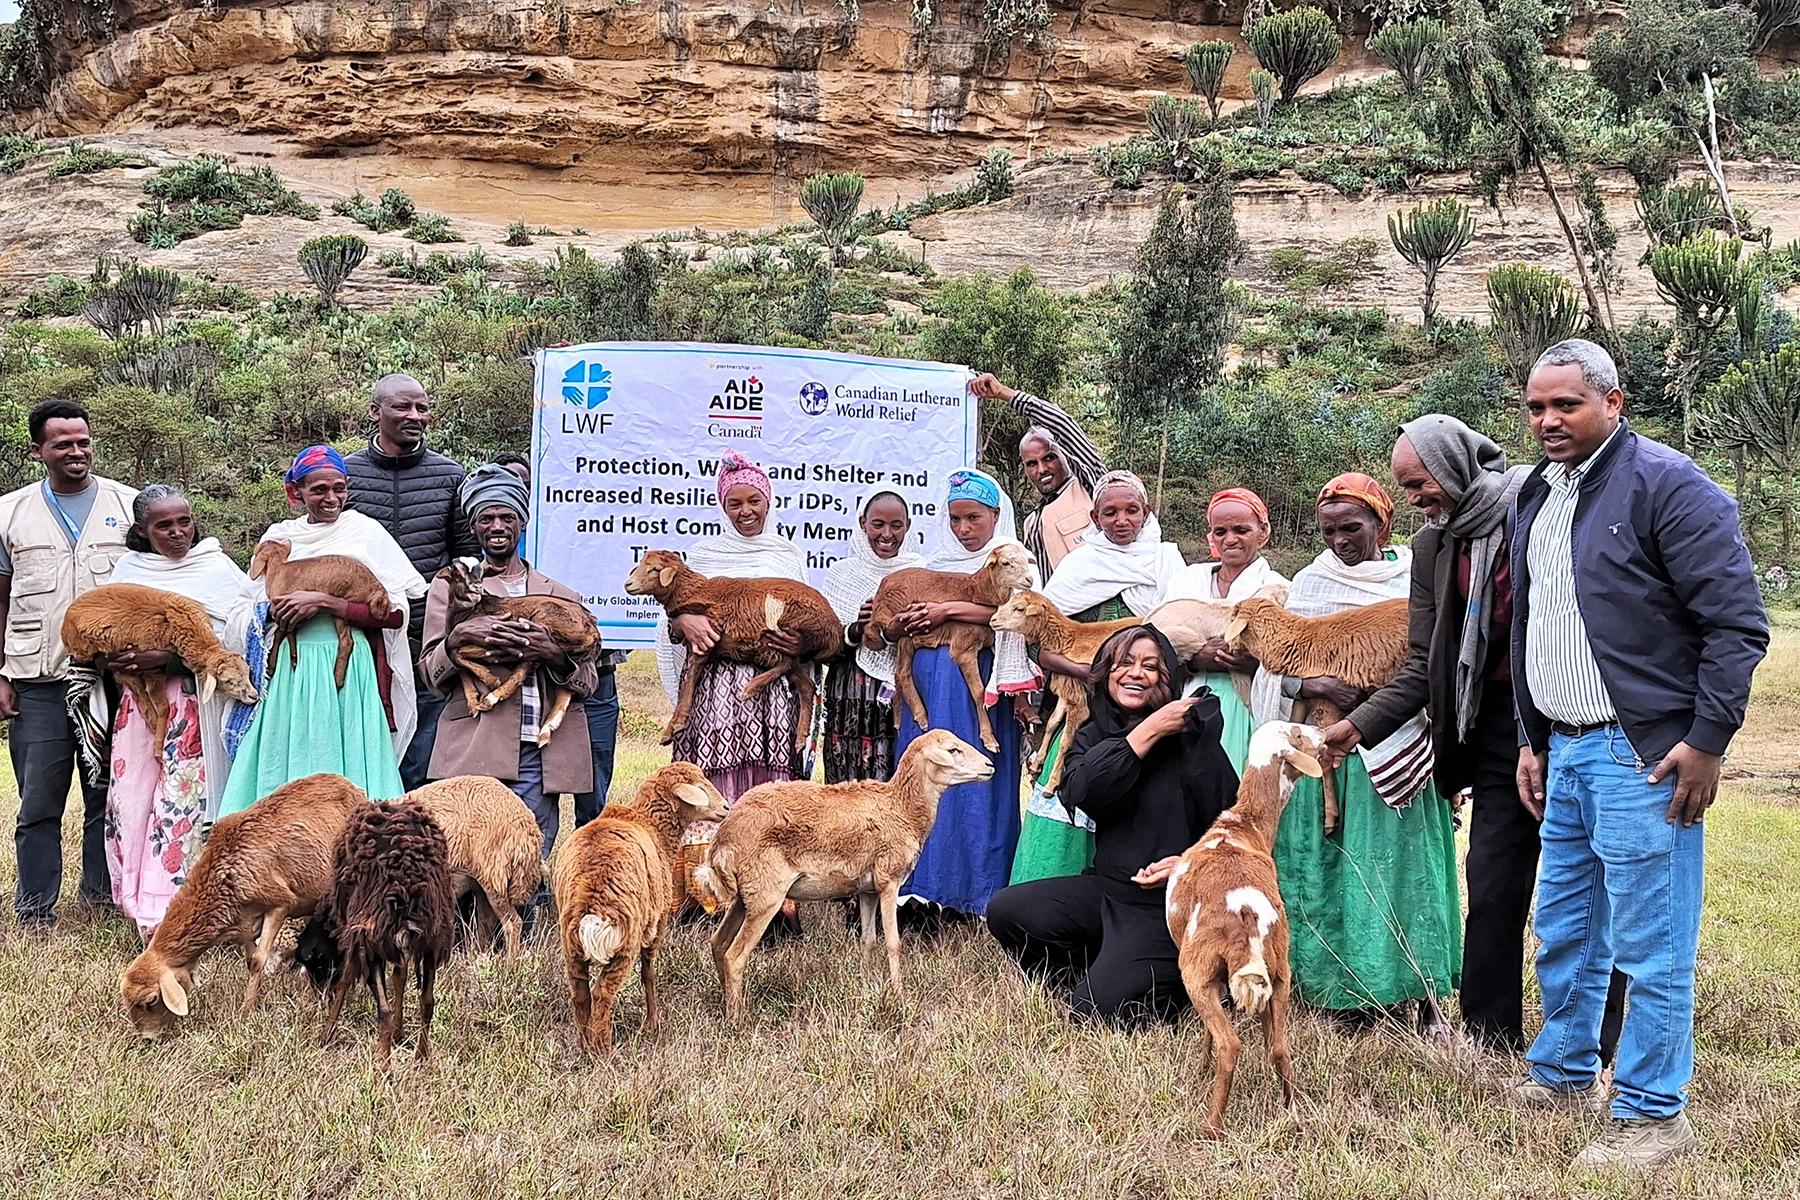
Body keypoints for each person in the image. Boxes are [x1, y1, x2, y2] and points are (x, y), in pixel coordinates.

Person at [1506, 340, 1766, 1171]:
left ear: (1614, 403)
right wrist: (1531, 736)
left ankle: (1655, 1114)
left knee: (1651, 944)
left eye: (1566, 405)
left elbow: (1736, 626)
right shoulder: (1538, 493)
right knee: (1564, 930)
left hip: (1643, 753)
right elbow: (1534, 624)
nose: (1548, 420)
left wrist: (1707, 742)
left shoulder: (1670, 486)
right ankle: (1563, 1073)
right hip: (1567, 748)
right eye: (1537, 406)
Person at [1321, 415, 1626, 1061]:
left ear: (1456, 463)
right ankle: (1492, 1039)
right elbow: (1421, 662)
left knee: (1599, 887)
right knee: (1492, 883)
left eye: (1419, 482)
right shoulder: (1435, 546)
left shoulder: (1537, 504)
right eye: (1405, 488)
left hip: (1572, 718)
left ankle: (1607, 1042)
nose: (1414, 499)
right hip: (1490, 726)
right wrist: (1357, 726)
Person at [1253, 474, 1461, 1029]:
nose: (1341, 541)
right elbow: (1275, 667)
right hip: (1321, 754)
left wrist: (1371, 700)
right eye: (1329, 531)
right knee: (1323, 866)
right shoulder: (1306, 585)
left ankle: (1412, 990)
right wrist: (1316, 686)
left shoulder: (1410, 582)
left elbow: (1431, 670)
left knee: (1398, 868)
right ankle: (1331, 989)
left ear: (1382, 523)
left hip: (1395, 743)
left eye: (1352, 527)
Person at [987, 625, 1238, 1025]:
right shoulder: (1093, 735)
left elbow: (1235, 829)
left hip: (1167, 906)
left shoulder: (1193, 739)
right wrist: (1150, 730)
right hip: (1109, 890)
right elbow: (1088, 790)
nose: (1135, 673)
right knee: (1007, 910)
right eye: (1124, 663)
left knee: (1091, 1013)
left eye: (1150, 666)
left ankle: (1180, 985)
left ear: (1166, 678)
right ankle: (1100, 972)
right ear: (1107, 672)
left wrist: (1188, 865)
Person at [218, 446, 425, 814]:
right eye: (319, 490)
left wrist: (328, 603)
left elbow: (393, 615)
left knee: (349, 767)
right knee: (289, 758)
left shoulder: (365, 533)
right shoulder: (279, 538)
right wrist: (273, 610)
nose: (331, 498)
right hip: (290, 673)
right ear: (295, 493)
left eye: (339, 488)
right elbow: (242, 609)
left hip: (347, 671)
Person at [96, 486, 256, 938]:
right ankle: (138, 899)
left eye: (184, 521)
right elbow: (104, 629)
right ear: (142, 531)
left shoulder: (216, 567)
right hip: (140, 704)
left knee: (184, 801)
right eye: (163, 525)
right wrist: (125, 658)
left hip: (196, 702)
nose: (177, 532)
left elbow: (240, 634)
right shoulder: (128, 572)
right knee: (135, 795)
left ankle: (182, 904)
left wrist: (167, 659)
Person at [0, 400, 136, 927]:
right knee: (38, 801)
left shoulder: (127, 506)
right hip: (39, 679)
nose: (76, 452)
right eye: (62, 444)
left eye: (83, 441)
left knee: (109, 794)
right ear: (38, 451)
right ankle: (35, 907)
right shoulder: (9, 513)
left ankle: (101, 898)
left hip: (115, 679)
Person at [1011, 470, 1183, 884]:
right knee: (1072, 783)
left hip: (1143, 712)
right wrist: (1085, 672)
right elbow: (1040, 641)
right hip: (1081, 708)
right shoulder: (1079, 566)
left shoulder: (1167, 564)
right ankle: (1053, 890)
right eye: (1110, 512)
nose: (1121, 520)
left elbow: (1178, 638)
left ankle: (1126, 896)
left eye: (1131, 511)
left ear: (1147, 513)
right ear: (1094, 516)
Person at [420, 465, 597, 863]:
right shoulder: (453, 589)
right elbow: (430, 672)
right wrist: (455, 643)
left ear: (523, 522)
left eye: (507, 517)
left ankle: (527, 926)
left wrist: (553, 654)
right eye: (486, 518)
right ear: (474, 527)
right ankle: (470, 928)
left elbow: (588, 679)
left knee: (528, 852)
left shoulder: (559, 595)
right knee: (469, 856)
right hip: (477, 745)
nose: (497, 526)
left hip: (538, 747)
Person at [655, 451, 808, 907]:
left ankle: (772, 901)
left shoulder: (787, 555)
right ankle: (709, 897)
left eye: (754, 501)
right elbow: (673, 616)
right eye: (735, 503)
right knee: (712, 786)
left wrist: (797, 646)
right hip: (713, 690)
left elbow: (805, 616)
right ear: (723, 507)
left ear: (769, 501)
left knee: (769, 792)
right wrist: (682, 622)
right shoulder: (703, 557)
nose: (746, 512)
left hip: (773, 693)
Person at [884, 468, 1038, 918]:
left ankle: (983, 891)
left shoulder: (1015, 563)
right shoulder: (931, 563)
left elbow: (1021, 613)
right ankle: (925, 889)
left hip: (984, 681)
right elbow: (896, 628)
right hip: (930, 682)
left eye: (974, 517)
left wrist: (949, 608)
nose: (964, 529)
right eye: (955, 518)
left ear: (996, 514)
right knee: (928, 774)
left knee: (984, 777)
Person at [342, 373, 476, 789]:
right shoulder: (346, 475)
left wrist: (449, 621)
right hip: (359, 634)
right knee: (361, 737)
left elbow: (466, 554)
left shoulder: (450, 476)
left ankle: (409, 836)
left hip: (424, 634)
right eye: (402, 406)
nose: (414, 415)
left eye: (422, 407)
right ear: (375, 411)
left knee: (421, 746)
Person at [1164, 488, 1289, 768]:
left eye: (1241, 529)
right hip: (1187, 699)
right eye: (1220, 531)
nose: (1230, 539)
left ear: (1263, 532)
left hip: (1248, 706)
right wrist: (1194, 660)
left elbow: (1292, 657)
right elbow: (1156, 643)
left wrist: (1252, 664)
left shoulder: (1278, 588)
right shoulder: (1185, 582)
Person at [818, 491, 924, 783]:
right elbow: (824, 644)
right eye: (878, 524)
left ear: (908, 526)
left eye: (896, 525)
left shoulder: (919, 572)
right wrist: (856, 629)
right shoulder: (842, 574)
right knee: (845, 787)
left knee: (896, 778)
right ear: (863, 523)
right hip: (849, 692)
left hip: (904, 689)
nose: (887, 534)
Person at [968, 373, 1108, 580]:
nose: (1041, 469)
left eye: (1049, 457)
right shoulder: (1031, 523)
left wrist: (1003, 393)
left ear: (1065, 455)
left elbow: (1063, 425)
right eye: (1032, 464)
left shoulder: (1092, 487)